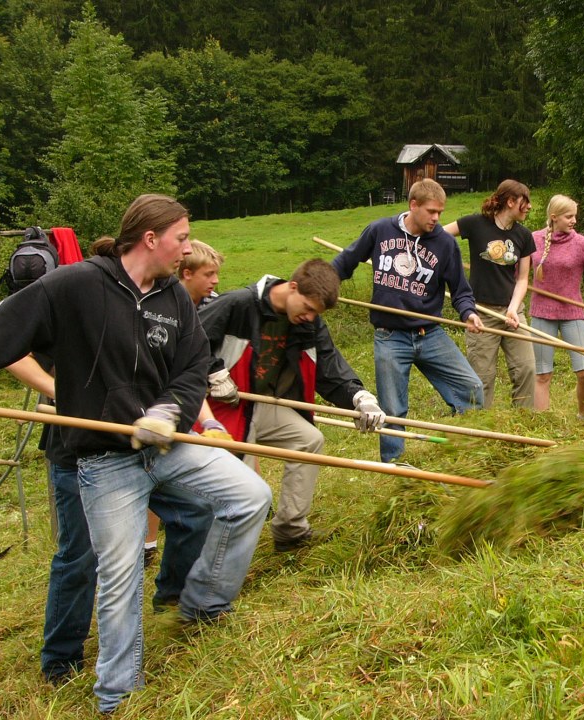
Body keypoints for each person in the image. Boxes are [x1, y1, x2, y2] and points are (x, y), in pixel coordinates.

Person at [0, 193, 272, 714]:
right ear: (151, 238)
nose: (186, 250)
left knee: (250, 494)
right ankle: (117, 695)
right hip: (105, 460)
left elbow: (191, 369)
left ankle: (202, 606)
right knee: (119, 577)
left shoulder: (174, 298)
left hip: (164, 446)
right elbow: (2, 325)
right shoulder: (77, 285)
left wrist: (168, 411)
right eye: (182, 238)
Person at [198, 259, 386, 552]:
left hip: (261, 405)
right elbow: (190, 341)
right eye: (308, 308)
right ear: (293, 287)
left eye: (316, 313)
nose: (310, 317)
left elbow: (328, 362)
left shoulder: (309, 321)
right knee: (244, 489)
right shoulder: (238, 304)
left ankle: (290, 531)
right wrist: (214, 371)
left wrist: (360, 398)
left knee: (309, 440)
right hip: (224, 408)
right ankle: (223, 559)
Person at [331, 178, 484, 464]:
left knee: (472, 389)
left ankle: (467, 450)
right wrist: (321, 284)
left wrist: (469, 313)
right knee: (391, 410)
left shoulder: (445, 244)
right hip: (390, 336)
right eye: (431, 211)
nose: (437, 218)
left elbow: (461, 291)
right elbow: (345, 262)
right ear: (413, 205)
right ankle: (394, 466)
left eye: (440, 212)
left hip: (430, 334)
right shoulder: (380, 231)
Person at [142, 238, 227, 567]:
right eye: (209, 274)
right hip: (153, 413)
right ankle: (147, 543)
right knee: (155, 476)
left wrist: (209, 421)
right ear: (186, 274)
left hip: (184, 405)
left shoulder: (199, 309)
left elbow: (193, 371)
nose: (216, 281)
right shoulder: (160, 310)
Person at [443, 179, 537, 409]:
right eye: (525, 201)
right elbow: (439, 234)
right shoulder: (475, 224)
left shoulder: (524, 235)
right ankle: (481, 424)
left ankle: (523, 422)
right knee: (482, 377)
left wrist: (514, 308)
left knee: (526, 368)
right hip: (481, 314)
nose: (530, 206)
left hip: (512, 312)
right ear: (510, 201)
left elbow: (523, 278)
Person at [529, 194, 584, 418]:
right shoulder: (533, 240)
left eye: (574, 216)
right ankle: (543, 423)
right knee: (542, 374)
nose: (574, 221)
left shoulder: (581, 243)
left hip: (572, 313)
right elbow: (515, 275)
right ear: (554, 217)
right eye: (569, 216)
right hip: (541, 314)